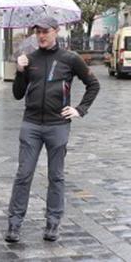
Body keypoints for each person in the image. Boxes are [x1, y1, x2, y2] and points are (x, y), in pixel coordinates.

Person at [5, 16, 100, 243]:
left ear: (56, 31)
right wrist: (19, 70)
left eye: (45, 31)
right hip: (31, 125)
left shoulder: (70, 59)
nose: (41, 35)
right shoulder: (29, 59)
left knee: (56, 177)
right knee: (23, 175)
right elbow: (18, 94)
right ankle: (14, 224)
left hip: (58, 126)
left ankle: (53, 223)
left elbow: (93, 84)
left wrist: (80, 109)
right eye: (38, 31)